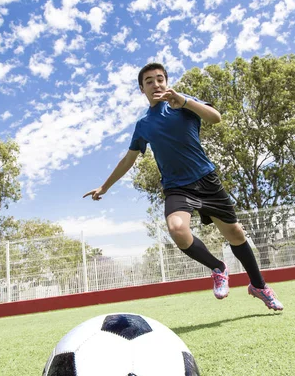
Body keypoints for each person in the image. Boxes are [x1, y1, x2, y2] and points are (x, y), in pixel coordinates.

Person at [83, 62, 283, 311]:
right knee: (177, 229)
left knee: (236, 234)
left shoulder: (184, 103)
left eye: (159, 79)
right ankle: (218, 268)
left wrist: (185, 102)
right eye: (148, 81)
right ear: (141, 89)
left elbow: (216, 118)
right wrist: (104, 187)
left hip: (206, 179)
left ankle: (259, 286)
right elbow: (129, 159)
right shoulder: (143, 124)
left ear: (166, 82)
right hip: (177, 188)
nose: (155, 84)